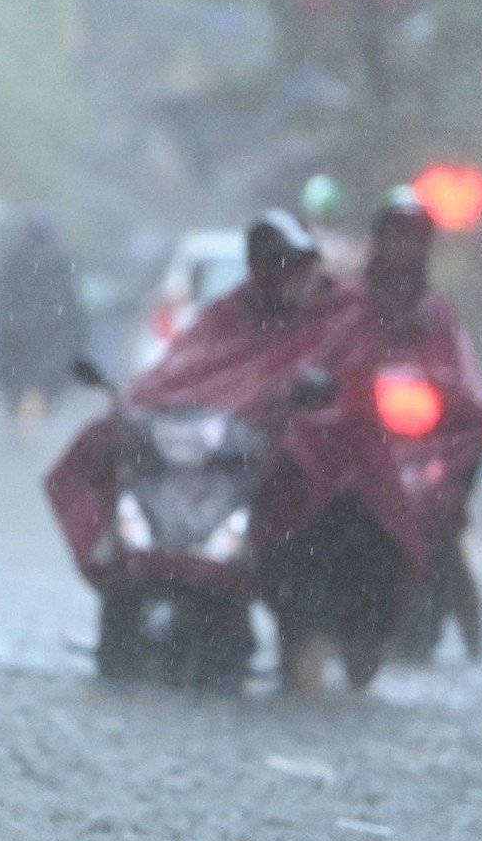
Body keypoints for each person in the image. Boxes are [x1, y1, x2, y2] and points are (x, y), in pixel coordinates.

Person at [48, 209, 362, 680]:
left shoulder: (335, 317)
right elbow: (180, 372)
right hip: (209, 456)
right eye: (272, 263)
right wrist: (134, 408)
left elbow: (342, 390)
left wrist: (297, 419)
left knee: (312, 524)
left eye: (291, 263)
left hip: (289, 475)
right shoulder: (229, 314)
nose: (285, 277)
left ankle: (303, 641)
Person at [299, 189, 482, 677]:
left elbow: (467, 392)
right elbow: (320, 356)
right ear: (379, 239)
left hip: (414, 450)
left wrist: (452, 408)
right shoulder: (347, 303)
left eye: (413, 239)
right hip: (349, 452)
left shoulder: (435, 314)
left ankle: (445, 585)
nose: (403, 249)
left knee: (443, 521)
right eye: (395, 237)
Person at [0, 213, 87, 440]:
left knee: (20, 381)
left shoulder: (14, 258)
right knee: (42, 381)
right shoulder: (62, 260)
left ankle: (24, 422)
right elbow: (71, 301)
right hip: (49, 334)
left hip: (19, 333)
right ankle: (28, 423)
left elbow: (2, 296)